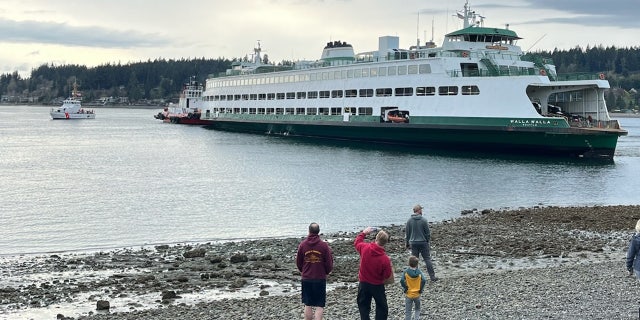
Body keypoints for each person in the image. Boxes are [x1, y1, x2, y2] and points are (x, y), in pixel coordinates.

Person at [296, 222, 334, 320]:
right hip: (319, 278)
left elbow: (298, 262)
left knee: (307, 304)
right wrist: (326, 272)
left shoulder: (302, 245)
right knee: (319, 305)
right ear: (318, 232)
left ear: (308, 231)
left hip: (307, 278)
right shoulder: (324, 246)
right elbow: (329, 263)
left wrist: (303, 271)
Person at [354, 227, 394, 320]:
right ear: (385, 243)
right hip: (377, 285)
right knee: (382, 307)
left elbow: (357, 242)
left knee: (363, 305)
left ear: (376, 238)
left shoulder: (365, 248)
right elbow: (387, 275)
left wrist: (364, 233)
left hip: (364, 283)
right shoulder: (385, 259)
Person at [405, 204, 438, 282]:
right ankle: (432, 277)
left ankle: (414, 277)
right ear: (418, 210)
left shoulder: (409, 220)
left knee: (414, 261)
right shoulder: (423, 220)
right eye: (421, 209)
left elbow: (407, 233)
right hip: (423, 242)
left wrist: (407, 243)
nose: (422, 211)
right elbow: (428, 233)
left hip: (413, 243)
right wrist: (427, 240)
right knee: (427, 259)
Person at [400, 256, 426, 320]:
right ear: (417, 264)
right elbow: (424, 280)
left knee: (408, 311)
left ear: (408, 263)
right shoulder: (419, 272)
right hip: (417, 294)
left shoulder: (406, 272)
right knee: (417, 309)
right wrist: (420, 289)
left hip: (409, 294)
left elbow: (401, 280)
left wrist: (405, 288)